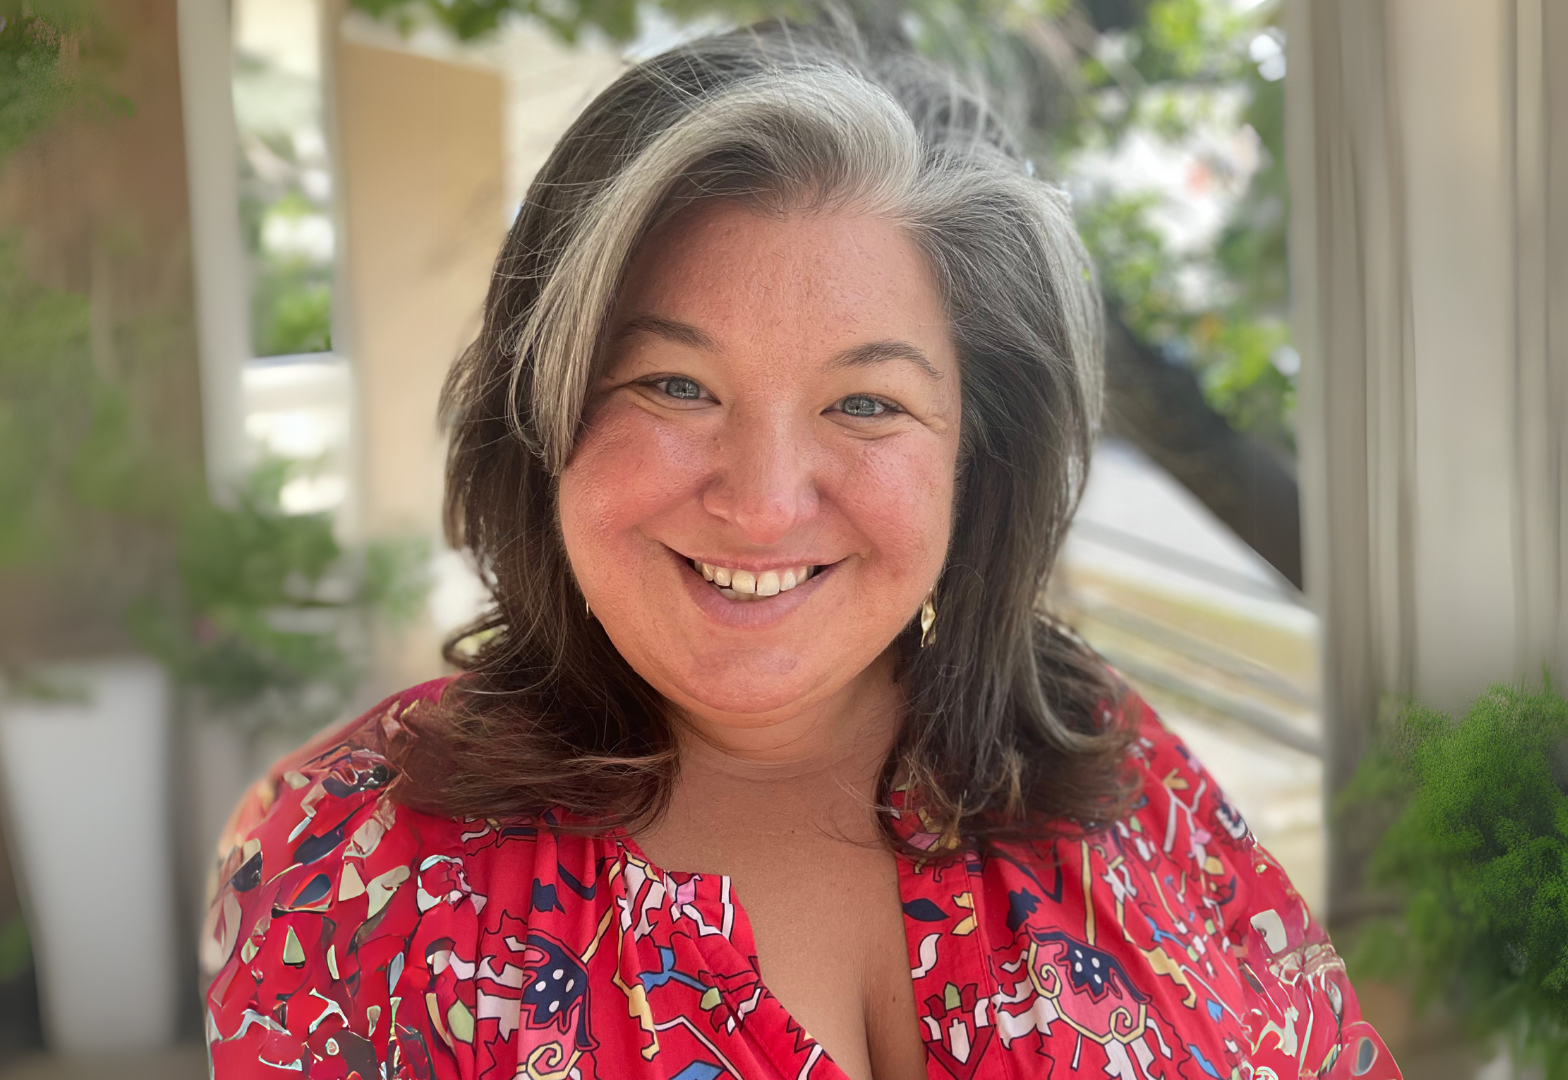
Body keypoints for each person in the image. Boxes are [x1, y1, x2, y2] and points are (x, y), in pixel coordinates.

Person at [201, 22, 1401, 1080]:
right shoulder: (345, 861)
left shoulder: (1107, 756)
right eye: (674, 385)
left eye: (867, 404)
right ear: (544, 410)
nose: (764, 505)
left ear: (974, 457)